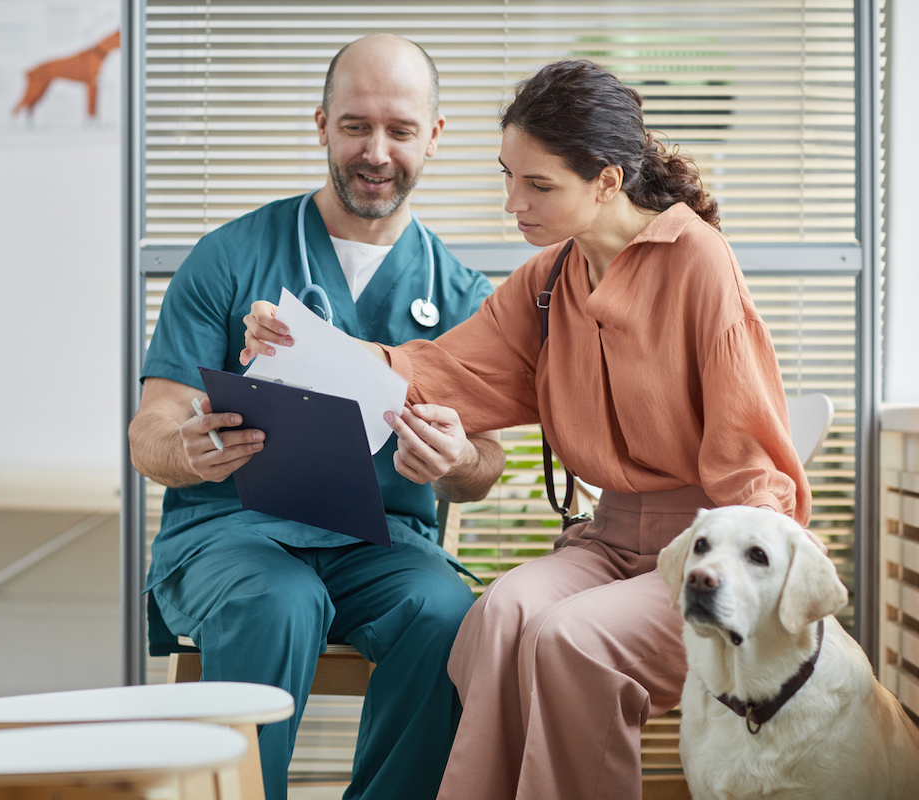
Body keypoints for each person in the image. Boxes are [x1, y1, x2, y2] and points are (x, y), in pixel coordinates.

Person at [241, 59, 815, 800]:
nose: (514, 202)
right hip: (608, 541)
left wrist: (758, 576)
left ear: (608, 181)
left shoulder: (698, 262)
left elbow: (750, 458)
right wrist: (307, 344)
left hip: (706, 548)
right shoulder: (547, 281)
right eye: (508, 176)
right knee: (500, 613)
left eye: (539, 185)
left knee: (566, 638)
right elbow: (436, 370)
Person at [128, 34, 503, 800]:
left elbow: (485, 466)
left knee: (446, 614)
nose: (376, 152)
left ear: (434, 136)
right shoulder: (230, 257)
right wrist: (190, 449)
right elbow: (150, 433)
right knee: (278, 600)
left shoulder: (463, 294)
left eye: (400, 130)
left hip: (382, 542)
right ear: (321, 124)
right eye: (355, 125)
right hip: (230, 535)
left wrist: (457, 461)